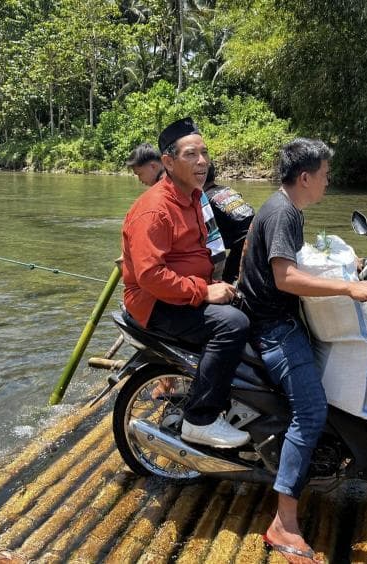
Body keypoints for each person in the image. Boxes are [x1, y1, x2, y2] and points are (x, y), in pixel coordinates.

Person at [238, 138, 367, 562]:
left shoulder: (284, 207)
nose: (327, 181)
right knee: (311, 411)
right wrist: (348, 287)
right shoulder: (284, 213)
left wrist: (347, 265)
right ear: (305, 177)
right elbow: (285, 278)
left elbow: (291, 263)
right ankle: (284, 523)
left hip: (277, 319)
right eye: (324, 174)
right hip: (275, 329)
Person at [121, 117, 250, 448]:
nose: (202, 161)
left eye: (204, 153)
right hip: (155, 303)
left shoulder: (193, 197)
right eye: (191, 154)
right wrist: (205, 292)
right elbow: (150, 277)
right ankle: (200, 419)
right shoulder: (154, 209)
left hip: (183, 293)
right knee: (231, 325)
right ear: (167, 162)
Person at [124, 142, 227, 279]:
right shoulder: (182, 179)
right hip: (217, 251)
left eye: (140, 174)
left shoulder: (168, 188)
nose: (140, 180)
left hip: (206, 255)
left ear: (153, 166)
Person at [203, 162, 255, 283]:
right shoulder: (228, 189)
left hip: (242, 242)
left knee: (227, 280)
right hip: (257, 231)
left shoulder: (205, 199)